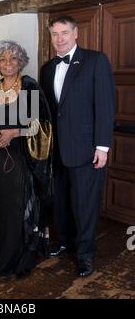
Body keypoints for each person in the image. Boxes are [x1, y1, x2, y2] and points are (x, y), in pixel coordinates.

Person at [40, 15, 115, 277]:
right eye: (54, 34)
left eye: (64, 33)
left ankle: (85, 255)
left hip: (86, 148)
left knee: (85, 204)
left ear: (76, 34)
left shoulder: (96, 61)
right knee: (60, 200)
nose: (59, 39)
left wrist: (102, 147)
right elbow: (49, 111)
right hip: (57, 149)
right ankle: (64, 242)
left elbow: (105, 107)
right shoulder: (47, 68)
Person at [0, 40, 53, 278]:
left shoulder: (29, 87)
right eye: (2, 59)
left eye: (13, 58)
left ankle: (18, 257)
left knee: (18, 206)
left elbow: (40, 127)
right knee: (2, 206)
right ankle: (2, 252)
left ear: (20, 61)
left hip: (22, 158)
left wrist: (13, 132)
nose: (8, 63)